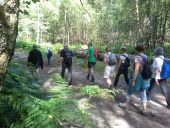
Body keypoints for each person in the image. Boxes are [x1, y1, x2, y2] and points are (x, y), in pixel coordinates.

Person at [119, 45, 150, 114]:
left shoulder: (137, 57)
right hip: (144, 76)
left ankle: (125, 104)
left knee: (130, 90)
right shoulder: (146, 56)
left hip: (138, 76)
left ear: (137, 50)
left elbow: (136, 69)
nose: (135, 51)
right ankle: (144, 109)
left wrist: (133, 80)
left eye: (135, 50)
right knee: (143, 91)